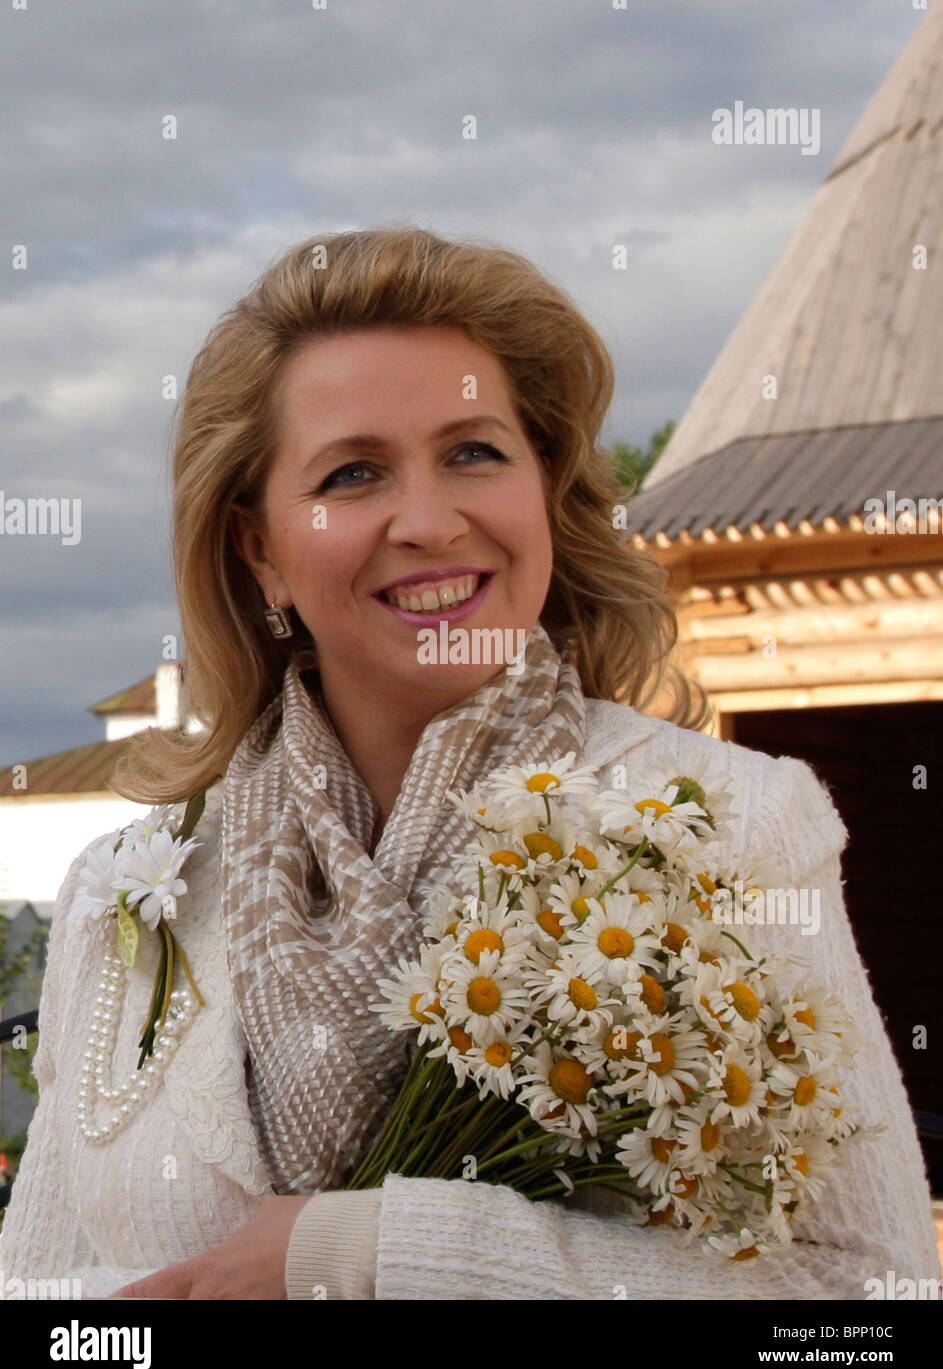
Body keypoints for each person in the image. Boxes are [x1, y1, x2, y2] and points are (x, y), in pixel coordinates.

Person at [0, 226, 938, 1300]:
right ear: (259, 549)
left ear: (543, 487)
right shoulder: (129, 893)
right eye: (353, 473)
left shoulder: (729, 824)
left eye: (474, 453)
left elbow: (868, 1304)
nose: (431, 521)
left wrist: (368, 1258)